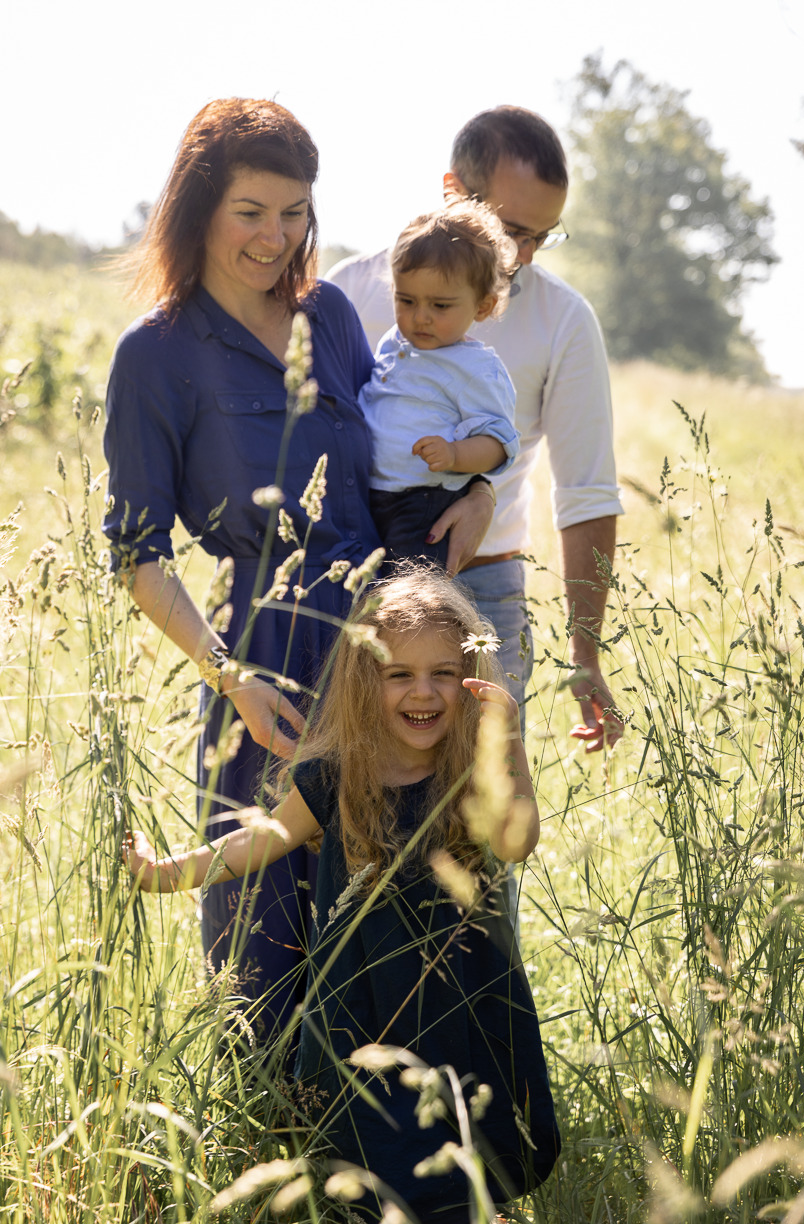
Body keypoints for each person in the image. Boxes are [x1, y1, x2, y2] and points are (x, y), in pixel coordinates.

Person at [102, 98, 493, 1039]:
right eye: (251, 212)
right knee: (263, 937)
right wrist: (228, 677)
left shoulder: (329, 316)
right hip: (264, 664)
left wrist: (479, 493)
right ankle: (268, 1154)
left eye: (294, 213)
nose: (277, 238)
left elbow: (395, 452)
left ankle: (390, 1157)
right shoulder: (156, 357)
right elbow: (137, 556)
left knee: (397, 919)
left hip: (388, 655)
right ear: (199, 207)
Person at [127, 567, 560, 1224]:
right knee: (372, 1166)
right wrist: (167, 871)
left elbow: (518, 839)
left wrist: (508, 737)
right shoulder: (338, 773)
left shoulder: (474, 769)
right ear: (366, 680)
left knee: (471, 1155)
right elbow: (263, 838)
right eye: (399, 674)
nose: (423, 692)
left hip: (462, 1005)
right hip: (363, 1012)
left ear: (470, 679)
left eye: (444, 673)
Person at [327, 105, 625, 748]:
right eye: (511, 228)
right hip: (352, 578)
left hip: (486, 585)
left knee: (482, 808)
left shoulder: (564, 319)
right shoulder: (350, 292)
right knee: (353, 801)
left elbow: (587, 491)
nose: (521, 255)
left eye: (543, 236)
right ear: (451, 191)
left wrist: (585, 656)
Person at [361, 199, 520, 567]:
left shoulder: (477, 367)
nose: (421, 317)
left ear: (482, 306)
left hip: (422, 502)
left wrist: (454, 455)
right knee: (364, 597)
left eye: (440, 306)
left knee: (411, 599)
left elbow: (498, 442)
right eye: (406, 300)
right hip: (370, 493)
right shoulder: (393, 343)